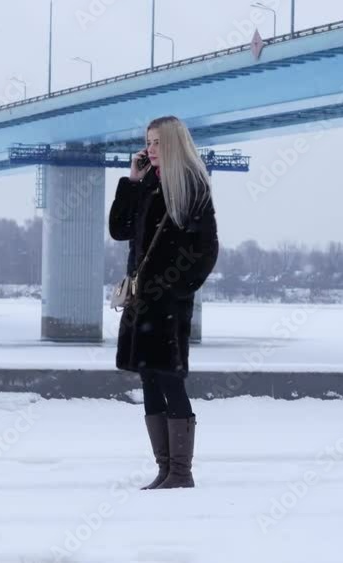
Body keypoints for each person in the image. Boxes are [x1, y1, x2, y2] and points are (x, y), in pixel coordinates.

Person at [108, 115, 219, 490]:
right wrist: (131, 182)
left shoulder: (192, 184)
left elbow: (205, 250)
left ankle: (181, 472)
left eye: (157, 143)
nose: (150, 150)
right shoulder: (150, 183)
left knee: (170, 379)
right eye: (148, 143)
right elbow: (119, 230)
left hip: (168, 302)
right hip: (142, 301)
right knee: (150, 379)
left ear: (173, 143)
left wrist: (175, 288)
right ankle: (165, 468)